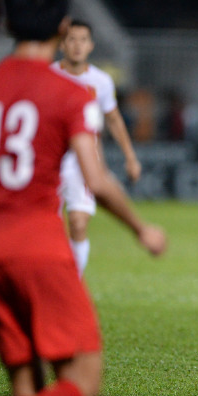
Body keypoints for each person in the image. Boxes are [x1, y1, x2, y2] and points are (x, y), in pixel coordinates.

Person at [0, 0, 166, 396]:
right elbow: (97, 181)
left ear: (7, 24)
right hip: (37, 245)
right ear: (63, 27)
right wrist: (140, 228)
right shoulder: (67, 93)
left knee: (26, 387)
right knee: (84, 377)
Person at [52, 19, 142, 274]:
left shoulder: (100, 81)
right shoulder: (49, 75)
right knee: (48, 227)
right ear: (62, 44)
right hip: (51, 159)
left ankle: (72, 284)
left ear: (91, 45)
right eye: (72, 39)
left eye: (83, 39)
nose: (77, 45)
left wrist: (130, 157)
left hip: (84, 161)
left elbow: (113, 119)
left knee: (79, 223)